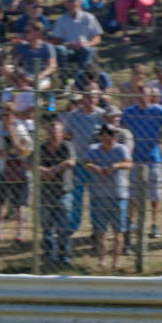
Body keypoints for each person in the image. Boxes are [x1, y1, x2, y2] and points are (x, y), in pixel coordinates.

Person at [120, 86, 162, 244]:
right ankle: (132, 221)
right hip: (134, 158)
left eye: (145, 95)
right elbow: (121, 129)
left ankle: (154, 223)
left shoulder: (158, 111)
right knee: (133, 194)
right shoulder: (129, 112)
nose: (142, 98)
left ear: (150, 97)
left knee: (155, 194)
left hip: (153, 158)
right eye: (139, 95)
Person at [84, 124, 133, 269]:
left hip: (118, 195)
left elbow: (129, 164)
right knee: (100, 231)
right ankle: (102, 260)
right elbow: (85, 162)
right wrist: (94, 167)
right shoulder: (93, 149)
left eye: (112, 135)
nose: (109, 138)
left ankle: (116, 261)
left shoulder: (121, 149)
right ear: (101, 136)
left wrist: (115, 166)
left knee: (118, 231)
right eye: (106, 135)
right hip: (98, 195)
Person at [0, 110, 31, 242]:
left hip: (19, 170)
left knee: (20, 203)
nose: (7, 118)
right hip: (2, 170)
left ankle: (19, 233)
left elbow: (25, 150)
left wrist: (13, 136)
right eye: (4, 115)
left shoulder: (21, 130)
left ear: (14, 116)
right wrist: (0, 152)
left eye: (10, 115)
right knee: (0, 203)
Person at [61, 88, 104, 232]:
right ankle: (72, 227)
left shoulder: (102, 115)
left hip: (95, 165)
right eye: (89, 97)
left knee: (96, 199)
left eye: (95, 98)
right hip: (79, 164)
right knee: (76, 198)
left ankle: (96, 228)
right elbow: (66, 135)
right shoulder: (73, 116)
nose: (92, 100)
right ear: (83, 99)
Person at [38, 120, 76, 267]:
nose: (54, 135)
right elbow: (30, 163)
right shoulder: (42, 147)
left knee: (64, 227)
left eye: (57, 133)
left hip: (63, 192)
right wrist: (43, 170)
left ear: (62, 134)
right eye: (51, 132)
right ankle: (49, 256)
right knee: (47, 227)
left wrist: (55, 169)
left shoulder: (67, 146)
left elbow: (71, 162)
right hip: (46, 191)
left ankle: (64, 258)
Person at [50, 0, 102, 72]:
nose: (71, 4)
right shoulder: (61, 20)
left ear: (80, 2)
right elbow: (56, 40)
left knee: (86, 50)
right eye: (69, 1)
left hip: (85, 47)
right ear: (66, 4)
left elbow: (97, 38)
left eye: (73, 1)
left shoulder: (89, 17)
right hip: (68, 49)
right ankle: (64, 78)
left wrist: (85, 44)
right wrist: (66, 45)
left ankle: (83, 77)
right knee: (59, 49)